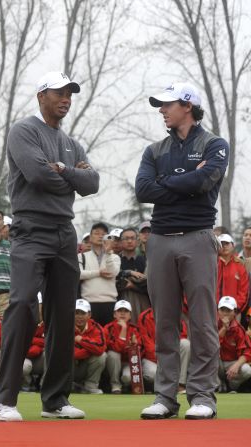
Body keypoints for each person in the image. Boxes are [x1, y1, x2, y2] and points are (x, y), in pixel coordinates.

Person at [0, 71, 99, 422]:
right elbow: (39, 175)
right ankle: (5, 398)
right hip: (30, 229)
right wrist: (72, 174)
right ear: (42, 96)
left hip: (64, 233)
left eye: (70, 93)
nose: (66, 99)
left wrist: (62, 169)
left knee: (63, 314)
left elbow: (92, 183)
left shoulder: (69, 142)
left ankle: (55, 400)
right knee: (23, 303)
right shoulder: (24, 130)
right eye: (59, 93)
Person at [136, 81, 229, 420]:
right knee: (165, 323)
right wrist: (186, 179)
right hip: (160, 239)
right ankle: (165, 397)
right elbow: (143, 190)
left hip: (197, 236)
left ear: (187, 106)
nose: (162, 110)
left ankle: (203, 397)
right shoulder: (155, 149)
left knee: (203, 322)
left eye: (167, 104)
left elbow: (204, 183)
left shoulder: (214, 144)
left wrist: (168, 184)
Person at [139, 307, 190, 394]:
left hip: (170, 357)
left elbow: (182, 335)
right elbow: (146, 342)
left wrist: (169, 356)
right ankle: (163, 388)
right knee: (152, 374)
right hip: (152, 359)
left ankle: (180, 384)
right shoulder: (144, 316)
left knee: (185, 343)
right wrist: (163, 357)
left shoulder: (175, 314)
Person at [79, 223, 121, 326]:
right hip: (88, 303)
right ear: (90, 237)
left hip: (110, 302)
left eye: (103, 234)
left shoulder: (114, 257)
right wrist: (98, 273)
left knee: (109, 339)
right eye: (96, 233)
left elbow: (113, 273)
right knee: (90, 338)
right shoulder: (81, 256)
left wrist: (107, 253)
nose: (100, 236)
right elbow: (78, 274)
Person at [104, 300, 142, 394]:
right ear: (114, 314)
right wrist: (124, 330)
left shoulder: (135, 329)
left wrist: (134, 346)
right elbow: (115, 349)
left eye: (126, 311)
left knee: (127, 378)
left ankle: (126, 387)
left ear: (130, 315)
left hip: (128, 362)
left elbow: (139, 351)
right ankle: (115, 385)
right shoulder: (108, 328)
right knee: (113, 354)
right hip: (111, 364)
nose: (122, 313)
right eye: (119, 310)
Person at [217, 296, 251, 392]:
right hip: (216, 362)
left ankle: (231, 386)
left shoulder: (239, 330)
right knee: (209, 358)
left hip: (231, 363)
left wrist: (236, 365)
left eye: (228, 310)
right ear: (218, 311)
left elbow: (247, 352)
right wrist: (224, 328)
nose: (225, 313)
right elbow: (210, 347)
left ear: (235, 312)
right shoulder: (212, 324)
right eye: (222, 309)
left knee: (247, 370)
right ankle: (218, 384)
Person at [73, 299, 106, 394]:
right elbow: (63, 350)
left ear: (89, 315)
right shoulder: (65, 326)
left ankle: (90, 386)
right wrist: (89, 350)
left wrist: (81, 340)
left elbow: (100, 348)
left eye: (82, 313)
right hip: (70, 366)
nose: (79, 316)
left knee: (102, 356)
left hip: (85, 365)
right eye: (76, 313)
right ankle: (65, 385)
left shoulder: (96, 327)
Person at [116, 228, 150, 322]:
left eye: (132, 238)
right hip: (119, 300)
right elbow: (113, 280)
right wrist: (130, 273)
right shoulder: (115, 260)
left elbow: (148, 283)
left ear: (137, 241)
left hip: (142, 301)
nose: (129, 241)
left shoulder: (145, 260)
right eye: (126, 238)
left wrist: (132, 285)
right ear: (121, 241)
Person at [216, 234, 248, 319]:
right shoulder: (211, 265)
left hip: (234, 312)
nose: (224, 246)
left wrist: (236, 309)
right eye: (221, 244)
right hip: (215, 312)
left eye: (227, 243)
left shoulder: (239, 266)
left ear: (233, 245)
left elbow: (243, 291)